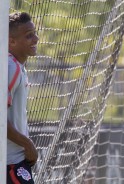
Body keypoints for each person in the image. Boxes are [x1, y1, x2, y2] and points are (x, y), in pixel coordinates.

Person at [7, 12, 39, 184]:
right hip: (9, 164)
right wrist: (28, 145)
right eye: (29, 36)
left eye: (34, 33)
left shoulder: (17, 65)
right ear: (11, 41)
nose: (36, 39)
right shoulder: (10, 67)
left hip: (16, 161)